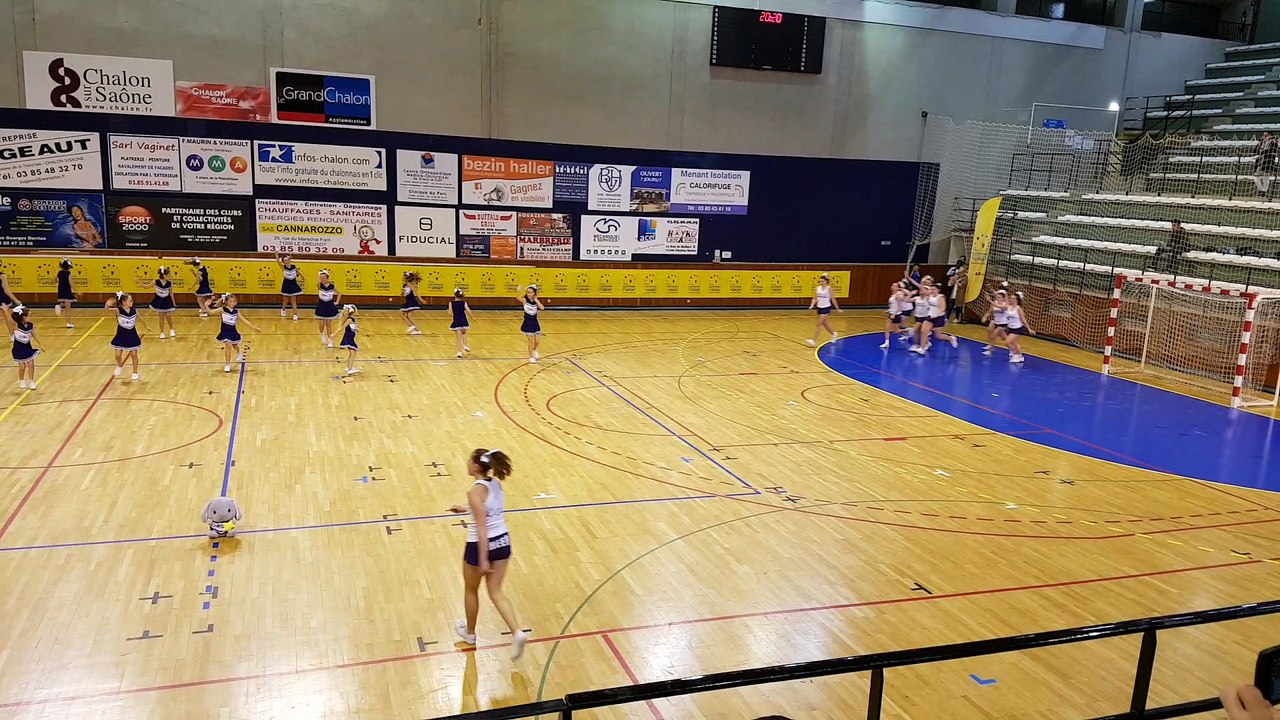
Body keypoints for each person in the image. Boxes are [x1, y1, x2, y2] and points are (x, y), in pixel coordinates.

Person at [448, 448, 529, 660]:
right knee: (496, 591)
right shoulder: (494, 483)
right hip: (503, 540)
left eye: (468, 461)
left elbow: (482, 525)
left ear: (476, 466)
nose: (466, 463)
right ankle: (517, 632)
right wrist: (465, 509)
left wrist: (483, 558)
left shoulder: (474, 491)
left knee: (471, 590)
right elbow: (487, 509)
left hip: (481, 544)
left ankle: (471, 634)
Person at [209, 294, 261, 373]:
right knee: (228, 345)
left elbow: (245, 321)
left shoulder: (236, 312)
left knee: (234, 346)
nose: (232, 303)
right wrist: (206, 305)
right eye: (230, 301)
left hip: (233, 331)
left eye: (234, 301)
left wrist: (254, 328)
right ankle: (227, 364)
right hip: (225, 331)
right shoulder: (222, 309)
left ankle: (238, 351)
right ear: (226, 302)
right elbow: (211, 312)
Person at [105, 291, 149, 381]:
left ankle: (135, 372)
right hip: (121, 335)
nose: (132, 302)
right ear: (124, 302)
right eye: (130, 301)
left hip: (132, 334)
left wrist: (146, 327)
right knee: (117, 355)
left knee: (134, 354)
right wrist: (107, 304)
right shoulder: (118, 310)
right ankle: (119, 365)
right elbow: (107, 310)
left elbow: (141, 319)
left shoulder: (134, 310)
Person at [4, 304, 42, 390]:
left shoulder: (30, 325)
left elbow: (35, 335)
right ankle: (21, 380)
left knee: (31, 364)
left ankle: (32, 381)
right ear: (23, 317)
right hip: (18, 349)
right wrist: (6, 311)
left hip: (28, 348)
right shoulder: (16, 325)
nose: (30, 317)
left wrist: (41, 344)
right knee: (22, 367)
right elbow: (9, 320)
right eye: (29, 316)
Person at [806, 273, 841, 347]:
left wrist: (837, 308)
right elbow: (815, 298)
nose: (821, 283)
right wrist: (812, 305)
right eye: (820, 281)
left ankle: (814, 340)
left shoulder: (829, 289)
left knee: (819, 324)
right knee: (825, 324)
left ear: (826, 282)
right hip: (819, 307)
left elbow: (833, 299)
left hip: (826, 307)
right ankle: (833, 334)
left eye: (822, 281)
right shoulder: (817, 288)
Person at [1004, 291, 1036, 364]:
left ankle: (1017, 354)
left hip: (1017, 329)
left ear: (1016, 300)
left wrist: (1029, 329)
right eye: (1010, 298)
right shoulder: (1008, 307)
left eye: (1012, 299)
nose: (1010, 300)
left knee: (1007, 342)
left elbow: (1023, 320)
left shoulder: (1018, 309)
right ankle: (1019, 355)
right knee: (1014, 343)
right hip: (1010, 328)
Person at [331, 304, 361, 375]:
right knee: (353, 353)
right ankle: (350, 369)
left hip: (351, 337)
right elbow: (342, 328)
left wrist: (356, 329)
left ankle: (349, 367)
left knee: (352, 353)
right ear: (353, 312)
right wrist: (335, 334)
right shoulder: (349, 320)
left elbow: (352, 327)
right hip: (348, 338)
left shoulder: (352, 319)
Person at [314, 270, 341, 348]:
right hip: (321, 306)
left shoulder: (332, 286)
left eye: (324, 278)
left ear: (327, 278)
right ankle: (322, 334)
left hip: (330, 306)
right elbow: (318, 283)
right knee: (321, 324)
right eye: (321, 278)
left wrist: (337, 302)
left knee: (328, 325)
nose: (322, 280)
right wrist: (319, 276)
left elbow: (339, 293)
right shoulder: (319, 285)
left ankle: (330, 340)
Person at [150, 266, 177, 339]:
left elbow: (171, 293)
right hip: (159, 301)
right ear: (164, 275)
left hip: (167, 301)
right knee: (161, 317)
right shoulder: (155, 282)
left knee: (168, 315)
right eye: (169, 275)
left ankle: (172, 329)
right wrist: (140, 283)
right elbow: (146, 286)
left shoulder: (169, 283)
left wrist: (174, 303)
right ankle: (162, 332)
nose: (170, 277)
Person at [520, 285, 545, 364]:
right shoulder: (524, 300)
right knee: (530, 341)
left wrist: (536, 300)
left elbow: (542, 308)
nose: (529, 294)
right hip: (527, 323)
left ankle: (534, 349)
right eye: (528, 292)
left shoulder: (535, 301)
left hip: (535, 322)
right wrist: (518, 291)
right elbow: (517, 298)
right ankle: (531, 357)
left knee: (537, 341)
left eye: (531, 292)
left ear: (534, 293)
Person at [881, 283, 910, 349]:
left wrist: (894, 314)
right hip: (891, 314)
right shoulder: (892, 295)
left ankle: (907, 330)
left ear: (898, 288)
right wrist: (888, 310)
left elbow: (900, 307)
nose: (892, 287)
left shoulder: (898, 296)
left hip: (896, 315)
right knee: (887, 328)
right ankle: (887, 343)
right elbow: (893, 305)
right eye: (892, 285)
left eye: (895, 286)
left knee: (896, 331)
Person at [981, 289, 1010, 357]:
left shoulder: (1005, 304)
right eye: (997, 297)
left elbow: (1001, 307)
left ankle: (990, 350)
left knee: (994, 335)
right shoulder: (994, 303)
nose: (998, 299)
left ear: (1003, 298)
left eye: (1000, 297)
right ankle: (1014, 348)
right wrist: (985, 317)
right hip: (997, 322)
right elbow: (989, 311)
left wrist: (990, 300)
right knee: (1005, 339)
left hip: (1003, 323)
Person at [276, 254, 303, 321]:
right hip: (286, 285)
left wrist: (302, 276)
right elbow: (277, 261)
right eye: (285, 260)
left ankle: (295, 314)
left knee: (293, 299)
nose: (287, 261)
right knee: (286, 299)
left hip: (293, 284)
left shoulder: (294, 266)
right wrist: (276, 253)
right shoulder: (283, 267)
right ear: (283, 262)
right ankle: (283, 309)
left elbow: (297, 271)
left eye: (288, 260)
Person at [449, 288, 474, 358]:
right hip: (463, 320)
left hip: (456, 320)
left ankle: (459, 351)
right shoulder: (464, 303)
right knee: (464, 333)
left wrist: (448, 310)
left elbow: (450, 313)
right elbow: (469, 310)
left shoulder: (451, 303)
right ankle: (465, 345)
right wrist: (472, 317)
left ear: (454, 295)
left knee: (458, 338)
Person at [53, 258, 76, 328]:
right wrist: (78, 292)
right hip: (67, 291)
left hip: (61, 290)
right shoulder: (69, 274)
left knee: (65, 302)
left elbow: (53, 280)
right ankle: (68, 323)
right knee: (68, 309)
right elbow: (71, 284)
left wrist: (60, 282)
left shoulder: (59, 273)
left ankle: (59, 306)